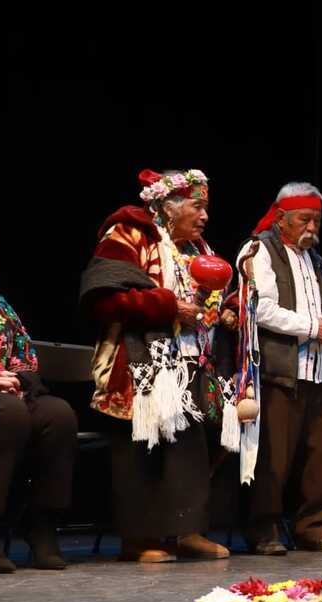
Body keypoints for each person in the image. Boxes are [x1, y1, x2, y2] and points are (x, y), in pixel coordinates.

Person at [80, 169, 236, 563]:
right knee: (141, 445)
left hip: (190, 358)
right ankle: (139, 538)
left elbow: (211, 296)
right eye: (197, 207)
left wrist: (226, 308)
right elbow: (103, 298)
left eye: (206, 208)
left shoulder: (197, 248)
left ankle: (188, 531)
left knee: (190, 445)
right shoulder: (129, 233)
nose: (204, 216)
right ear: (169, 206)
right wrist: (168, 306)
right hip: (137, 360)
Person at [236, 182, 322, 555]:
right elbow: (260, 309)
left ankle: (312, 529)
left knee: (319, 459)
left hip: (315, 373)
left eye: (317, 220)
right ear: (282, 217)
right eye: (304, 219)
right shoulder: (259, 250)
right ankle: (264, 531)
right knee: (273, 457)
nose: (312, 227)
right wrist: (313, 327)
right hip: (277, 372)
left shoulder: (317, 261)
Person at [0, 232, 78, 572]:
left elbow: (23, 352)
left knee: (57, 415)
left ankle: (41, 522)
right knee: (7, 413)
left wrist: (21, 382)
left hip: (3, 392)